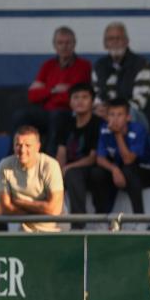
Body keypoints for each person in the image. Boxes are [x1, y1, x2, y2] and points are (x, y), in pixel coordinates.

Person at [10, 26, 91, 156]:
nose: (64, 47)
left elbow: (75, 97)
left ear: (74, 44)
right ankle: (13, 159)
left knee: (57, 117)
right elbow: (32, 96)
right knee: (20, 115)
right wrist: (53, 89)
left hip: (68, 113)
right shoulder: (48, 65)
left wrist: (46, 91)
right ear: (54, 45)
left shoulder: (84, 65)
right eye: (60, 43)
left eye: (68, 43)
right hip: (46, 111)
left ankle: (49, 162)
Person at [92, 98, 150, 216]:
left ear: (128, 117)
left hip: (148, 170)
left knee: (128, 170)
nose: (115, 119)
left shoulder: (138, 129)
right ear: (107, 117)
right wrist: (114, 169)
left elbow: (128, 160)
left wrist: (117, 134)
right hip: (121, 170)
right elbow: (100, 158)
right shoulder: (104, 129)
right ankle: (101, 218)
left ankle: (139, 219)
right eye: (112, 115)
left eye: (119, 115)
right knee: (97, 173)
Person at [0, 126, 64, 233]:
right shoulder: (5, 165)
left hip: (53, 229)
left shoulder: (50, 165)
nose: (22, 150)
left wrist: (19, 202)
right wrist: (42, 207)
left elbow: (54, 209)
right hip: (20, 230)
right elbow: (6, 207)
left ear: (38, 147)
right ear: (13, 146)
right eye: (18, 145)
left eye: (28, 145)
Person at [92, 22, 150, 129]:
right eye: (111, 39)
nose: (115, 42)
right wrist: (98, 108)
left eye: (119, 38)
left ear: (127, 41)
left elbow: (139, 102)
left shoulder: (142, 65)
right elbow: (97, 96)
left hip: (136, 115)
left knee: (129, 112)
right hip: (108, 112)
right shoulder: (99, 66)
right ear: (105, 44)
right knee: (84, 112)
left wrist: (113, 113)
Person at [56, 83, 102, 219]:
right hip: (70, 169)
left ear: (92, 102)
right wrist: (57, 171)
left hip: (91, 168)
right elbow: (61, 152)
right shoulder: (66, 123)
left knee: (73, 173)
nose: (80, 101)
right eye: (75, 97)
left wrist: (68, 167)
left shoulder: (98, 123)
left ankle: (78, 222)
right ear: (70, 102)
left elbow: (93, 158)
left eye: (84, 97)